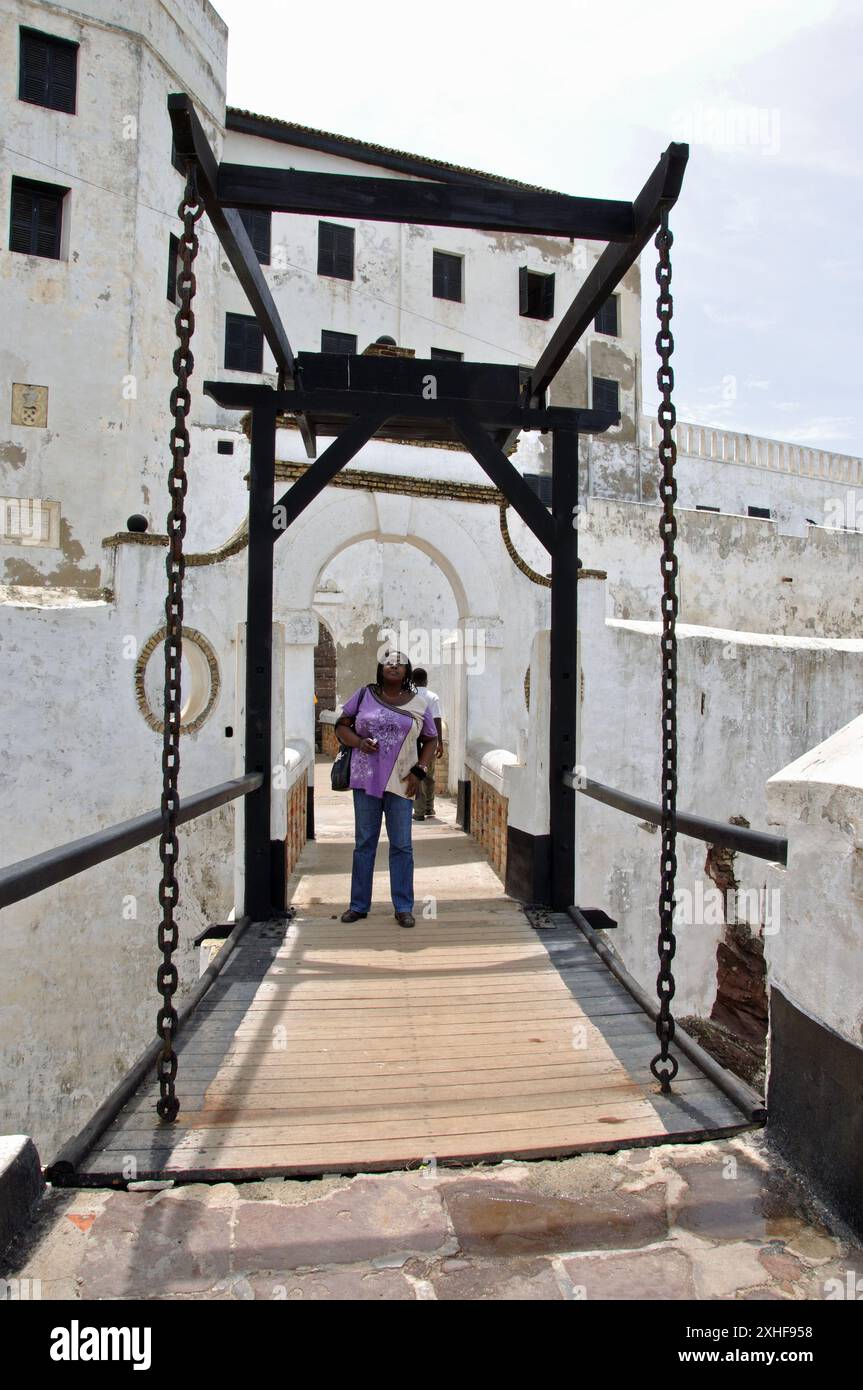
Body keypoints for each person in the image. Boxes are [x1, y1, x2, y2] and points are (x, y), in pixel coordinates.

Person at [333, 651, 438, 928]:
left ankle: (403, 907)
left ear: (407, 671)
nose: (393, 666)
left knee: (401, 845)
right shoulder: (364, 695)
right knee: (365, 842)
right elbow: (340, 726)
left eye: (399, 663)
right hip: (366, 777)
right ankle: (358, 905)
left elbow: (430, 740)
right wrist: (357, 741)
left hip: (403, 781)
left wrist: (420, 770)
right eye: (388, 662)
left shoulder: (418, 703)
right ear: (380, 668)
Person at [411, 668, 444, 821]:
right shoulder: (432, 697)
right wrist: (440, 743)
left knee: (417, 774)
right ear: (426, 680)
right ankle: (429, 807)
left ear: (412, 680)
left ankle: (418, 811)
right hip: (429, 741)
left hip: (412, 741)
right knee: (428, 775)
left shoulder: (408, 696)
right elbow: (437, 719)